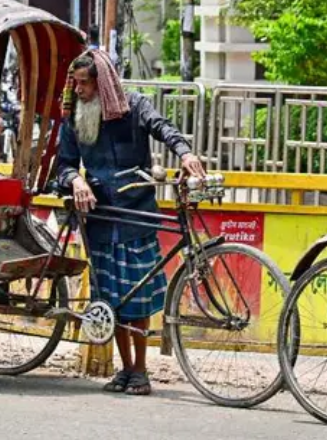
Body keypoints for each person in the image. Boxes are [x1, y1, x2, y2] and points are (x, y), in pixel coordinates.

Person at [56, 49, 206, 396]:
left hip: (137, 216)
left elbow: (164, 128)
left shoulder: (135, 106)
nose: (78, 90)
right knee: (111, 301)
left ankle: (141, 371)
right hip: (101, 220)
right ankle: (126, 369)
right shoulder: (74, 117)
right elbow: (64, 165)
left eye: (84, 84)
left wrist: (185, 152)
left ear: (102, 83)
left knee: (137, 302)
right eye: (74, 84)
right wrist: (75, 181)